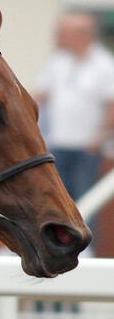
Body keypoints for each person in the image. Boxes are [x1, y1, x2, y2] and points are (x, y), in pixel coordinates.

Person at [35, 12, 114, 201]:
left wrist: (99, 138)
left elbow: (112, 104)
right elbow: (40, 95)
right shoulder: (57, 61)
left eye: (63, 32)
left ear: (82, 35)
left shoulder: (104, 64)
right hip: (57, 143)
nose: (58, 37)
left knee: (84, 200)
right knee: (58, 199)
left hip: (86, 147)